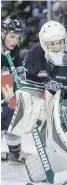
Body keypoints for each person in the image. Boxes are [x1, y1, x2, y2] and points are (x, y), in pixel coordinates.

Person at [8, 20, 67, 185]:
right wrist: (28, 105)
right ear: (43, 43)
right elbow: (30, 86)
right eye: (51, 44)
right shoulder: (35, 55)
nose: (56, 47)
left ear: (65, 40)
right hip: (57, 99)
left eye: (59, 42)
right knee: (47, 134)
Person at [1, 19, 31, 163]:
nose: (15, 41)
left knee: (13, 111)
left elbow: (14, 76)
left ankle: (14, 152)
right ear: (2, 34)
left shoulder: (14, 51)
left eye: (18, 37)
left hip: (4, 85)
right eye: (12, 36)